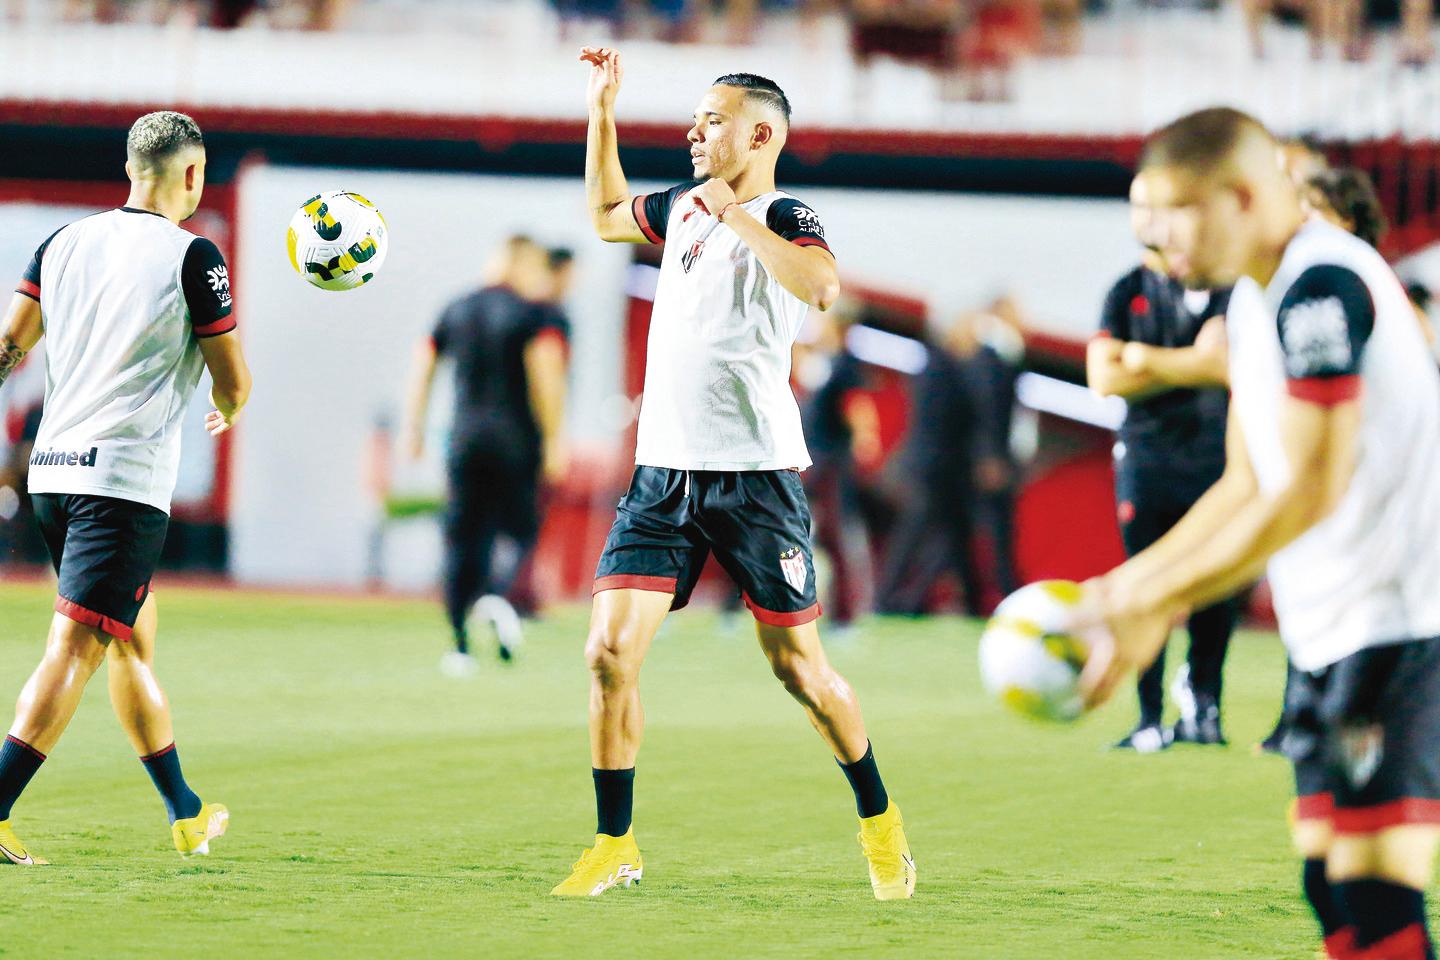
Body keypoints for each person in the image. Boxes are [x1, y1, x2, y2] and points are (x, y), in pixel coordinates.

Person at [552, 48, 913, 900]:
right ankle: (614, 844)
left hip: (754, 478)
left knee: (801, 673)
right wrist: (602, 112)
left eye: (709, 120)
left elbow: (822, 290)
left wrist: (733, 214)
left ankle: (880, 821)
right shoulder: (679, 207)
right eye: (694, 119)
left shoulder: (789, 213)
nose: (693, 131)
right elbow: (607, 213)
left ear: (759, 133)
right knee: (607, 655)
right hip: (663, 475)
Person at [1079, 107, 1440, 960]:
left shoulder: (1323, 287)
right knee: (1332, 890)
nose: (1158, 243)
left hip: (1399, 623)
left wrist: (1158, 602)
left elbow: (1310, 488)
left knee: (1374, 894)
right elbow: (1245, 483)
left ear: (1241, 197)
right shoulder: (1251, 298)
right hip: (1331, 627)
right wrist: (1123, 591)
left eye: (1175, 216)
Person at [0, 111, 250, 863]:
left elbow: (11, 345)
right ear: (192, 176)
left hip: (53, 474)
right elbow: (231, 377)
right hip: (121, 484)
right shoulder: (194, 254)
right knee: (75, 648)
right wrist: (229, 408)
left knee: (129, 641)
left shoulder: (62, 243)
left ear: (129, 167)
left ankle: (185, 810)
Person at [1087, 183, 1236, 753]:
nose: (1149, 219)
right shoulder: (1126, 291)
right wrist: (1191, 363)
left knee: (1215, 588)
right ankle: (1149, 717)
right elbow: (1103, 378)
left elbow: (1224, 365)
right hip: (1146, 460)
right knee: (1146, 584)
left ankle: (1204, 709)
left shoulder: (1226, 287)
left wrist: (1144, 360)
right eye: (1139, 207)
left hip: (1214, 458)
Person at [402, 235, 569, 674]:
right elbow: (544, 377)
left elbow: (424, 366)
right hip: (515, 440)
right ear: (522, 265)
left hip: (463, 438)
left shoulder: (456, 307)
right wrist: (554, 439)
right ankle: (496, 595)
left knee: (461, 538)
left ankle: (458, 646)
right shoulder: (533, 315)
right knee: (518, 530)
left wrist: (414, 428)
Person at [876, 316, 986, 616]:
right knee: (917, 535)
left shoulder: (938, 366)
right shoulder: (942, 368)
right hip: (937, 470)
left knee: (952, 538)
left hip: (938, 468)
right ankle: (887, 599)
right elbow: (941, 425)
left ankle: (905, 600)